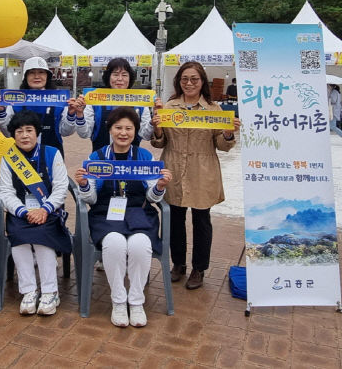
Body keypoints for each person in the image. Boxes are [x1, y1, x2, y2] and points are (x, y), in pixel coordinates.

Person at [75, 107, 172, 327]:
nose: (123, 133)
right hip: (105, 213)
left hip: (139, 212)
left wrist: (160, 186)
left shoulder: (144, 156)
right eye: (118, 127)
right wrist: (83, 184)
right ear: (110, 129)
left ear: (136, 131)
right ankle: (119, 301)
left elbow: (152, 197)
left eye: (129, 128)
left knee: (140, 244)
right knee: (114, 243)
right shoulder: (97, 157)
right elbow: (90, 199)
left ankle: (136, 302)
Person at [150, 61, 239, 290]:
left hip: (203, 170)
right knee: (175, 220)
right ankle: (178, 264)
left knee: (201, 221)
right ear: (179, 82)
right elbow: (159, 142)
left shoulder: (214, 110)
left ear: (202, 82)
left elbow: (222, 145)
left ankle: (199, 269)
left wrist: (228, 133)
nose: (189, 83)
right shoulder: (169, 107)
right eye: (184, 79)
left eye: (194, 79)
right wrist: (157, 127)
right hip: (174, 167)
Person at [0, 110, 71, 316]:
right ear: (13, 135)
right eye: (19, 131)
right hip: (20, 214)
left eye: (29, 130)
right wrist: (22, 211)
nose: (24, 135)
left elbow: (60, 187)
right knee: (19, 241)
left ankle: (50, 291)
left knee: (42, 240)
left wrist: (44, 209)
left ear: (37, 133)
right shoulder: (9, 158)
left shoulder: (52, 153)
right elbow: (5, 191)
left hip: (48, 212)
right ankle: (29, 291)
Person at [0, 56, 79, 157]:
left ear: (47, 76)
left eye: (41, 72)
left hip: (52, 158)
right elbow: (8, 133)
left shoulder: (59, 100)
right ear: (25, 77)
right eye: (32, 72)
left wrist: (71, 114)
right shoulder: (15, 101)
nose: (37, 76)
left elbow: (66, 132)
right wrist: (1, 112)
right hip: (22, 160)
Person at [76, 58, 156, 151]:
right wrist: (80, 114)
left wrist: (152, 123)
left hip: (131, 162)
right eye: (115, 74)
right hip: (101, 160)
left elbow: (146, 135)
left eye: (124, 75)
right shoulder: (94, 99)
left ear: (130, 78)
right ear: (108, 77)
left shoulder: (141, 101)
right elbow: (84, 133)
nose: (120, 79)